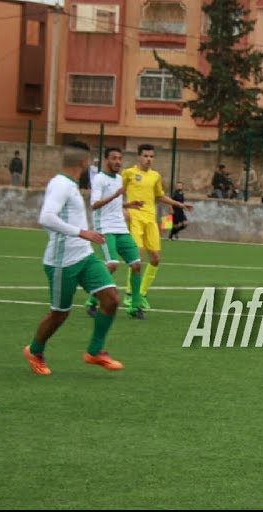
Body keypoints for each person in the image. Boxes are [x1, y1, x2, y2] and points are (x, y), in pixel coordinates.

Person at [22, 141, 123, 375]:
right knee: (59, 314)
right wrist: (81, 232)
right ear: (83, 162)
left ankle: (95, 351)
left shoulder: (70, 184)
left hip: (84, 256)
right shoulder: (60, 184)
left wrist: (83, 237)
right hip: (61, 262)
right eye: (90, 162)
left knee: (111, 298)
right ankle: (35, 350)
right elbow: (46, 217)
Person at [122, 143, 192, 310]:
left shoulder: (155, 176)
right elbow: (118, 192)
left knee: (155, 258)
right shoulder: (129, 173)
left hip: (150, 220)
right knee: (136, 258)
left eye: (151, 156)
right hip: (135, 218)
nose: (149, 159)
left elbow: (160, 196)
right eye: (146, 156)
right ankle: (131, 293)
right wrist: (123, 208)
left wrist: (179, 205)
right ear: (139, 157)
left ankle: (143, 293)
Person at [84, 147, 147, 319]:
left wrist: (129, 204)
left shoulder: (119, 178)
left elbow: (115, 204)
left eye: (120, 158)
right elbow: (94, 204)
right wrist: (114, 196)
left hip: (120, 227)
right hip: (104, 227)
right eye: (114, 158)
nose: (117, 161)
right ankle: (92, 300)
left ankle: (135, 307)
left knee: (136, 264)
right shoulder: (99, 179)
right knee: (112, 264)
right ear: (106, 160)